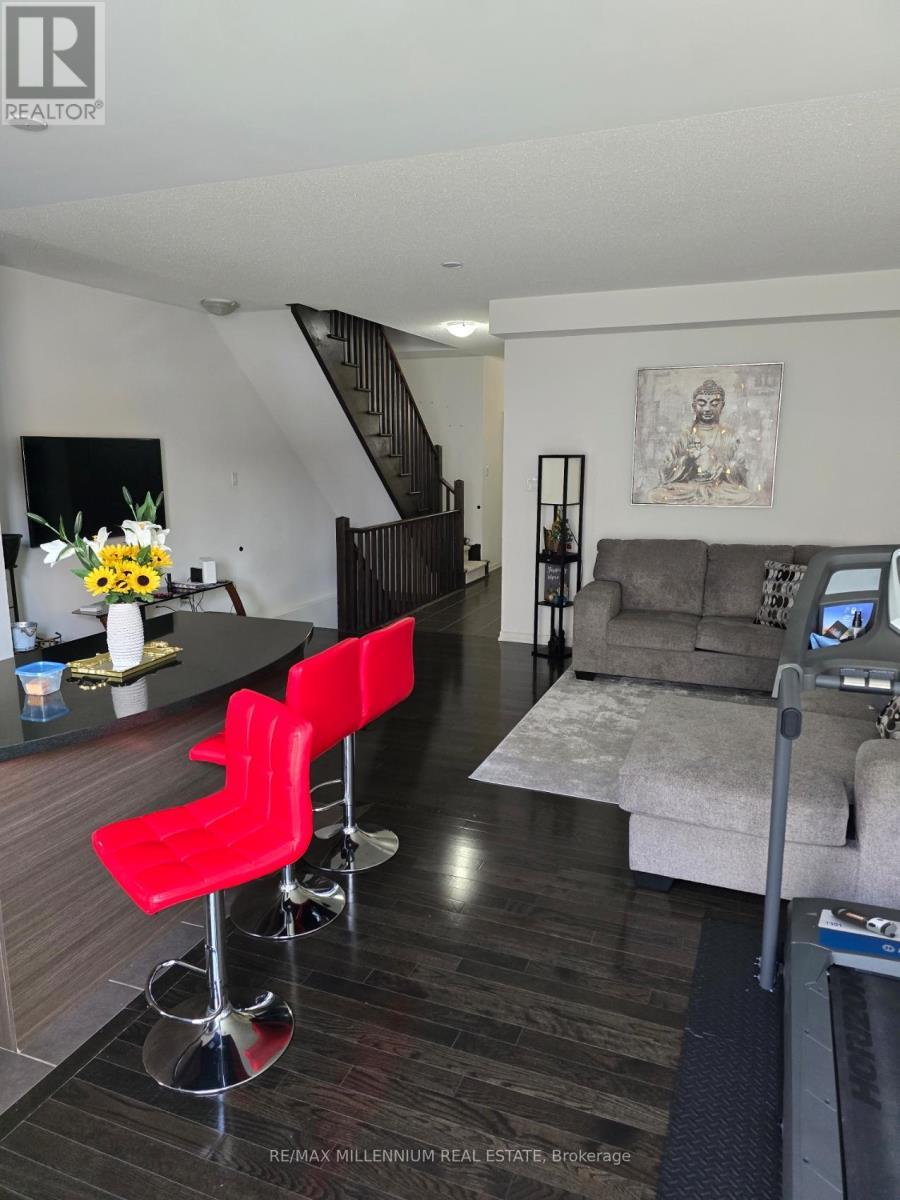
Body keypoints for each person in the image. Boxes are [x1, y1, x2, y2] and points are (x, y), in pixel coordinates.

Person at [648, 379, 753, 505]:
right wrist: (687, 460)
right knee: (656, 494)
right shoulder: (685, 435)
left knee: (746, 495)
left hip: (719, 488)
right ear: (694, 406)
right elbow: (666, 470)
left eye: (714, 404)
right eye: (702, 404)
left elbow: (741, 469)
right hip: (689, 488)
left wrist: (724, 468)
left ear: (722, 406)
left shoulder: (730, 435)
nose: (707, 409)